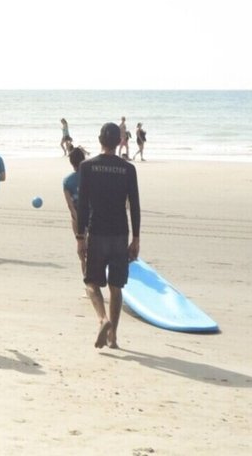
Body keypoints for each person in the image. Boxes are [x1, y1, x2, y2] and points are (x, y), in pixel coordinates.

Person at [77, 122, 140, 350]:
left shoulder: (87, 167)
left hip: (97, 233)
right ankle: (113, 337)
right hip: (120, 234)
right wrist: (137, 238)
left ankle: (103, 319)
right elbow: (134, 205)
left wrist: (80, 237)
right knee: (116, 287)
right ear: (119, 141)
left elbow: (83, 205)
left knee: (91, 283)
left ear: (99, 140)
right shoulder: (128, 169)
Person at [62, 146, 87, 239]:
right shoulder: (91, 176)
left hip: (77, 214)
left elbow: (70, 205)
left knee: (81, 243)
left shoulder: (67, 181)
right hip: (92, 214)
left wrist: (77, 218)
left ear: (72, 163)